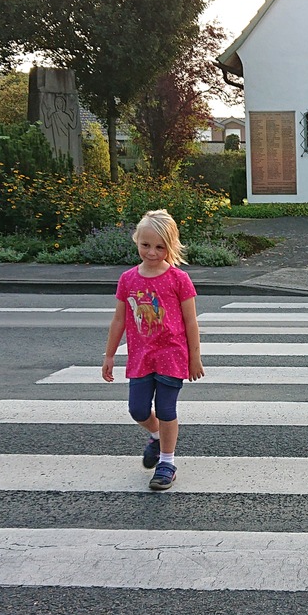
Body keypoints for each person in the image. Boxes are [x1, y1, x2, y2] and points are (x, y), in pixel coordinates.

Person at [101, 209, 204, 491]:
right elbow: (119, 319)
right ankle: (157, 436)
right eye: (146, 245)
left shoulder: (178, 279)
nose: (152, 252)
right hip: (141, 356)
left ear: (170, 247)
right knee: (137, 409)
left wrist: (194, 357)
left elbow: (190, 321)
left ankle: (167, 463)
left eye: (160, 247)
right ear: (136, 240)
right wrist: (109, 355)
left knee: (166, 408)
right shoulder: (128, 279)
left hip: (172, 354)